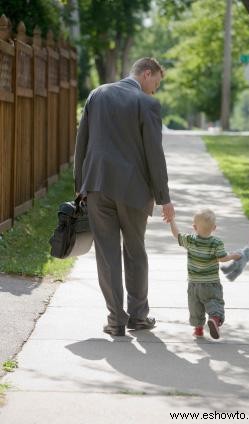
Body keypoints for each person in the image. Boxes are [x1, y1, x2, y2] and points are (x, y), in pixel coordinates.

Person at [74, 57, 175, 337]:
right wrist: (163, 196)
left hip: (97, 186)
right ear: (146, 73)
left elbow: (81, 141)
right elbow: (155, 154)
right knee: (135, 251)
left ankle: (116, 320)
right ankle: (139, 317)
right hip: (134, 191)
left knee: (106, 255)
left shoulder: (98, 94)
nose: (154, 91)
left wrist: (80, 186)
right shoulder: (147, 104)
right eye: (155, 84)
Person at [170, 208, 242, 339]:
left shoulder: (190, 240)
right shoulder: (216, 243)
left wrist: (171, 221)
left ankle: (198, 330)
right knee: (215, 303)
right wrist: (233, 256)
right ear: (214, 228)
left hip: (194, 285)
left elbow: (177, 235)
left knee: (196, 308)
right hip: (211, 284)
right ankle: (214, 319)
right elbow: (222, 258)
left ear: (194, 227)